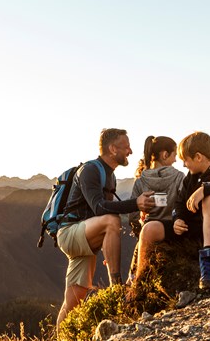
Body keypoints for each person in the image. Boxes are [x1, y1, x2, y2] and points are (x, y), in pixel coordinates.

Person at [55, 128, 155, 325]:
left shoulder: (110, 175)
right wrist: (136, 203)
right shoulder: (90, 170)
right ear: (112, 148)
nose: (131, 151)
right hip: (69, 233)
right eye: (126, 147)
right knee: (112, 220)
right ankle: (116, 287)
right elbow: (100, 208)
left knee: (73, 301)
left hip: (84, 237)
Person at [134, 131, 210, 292]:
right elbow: (180, 203)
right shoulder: (189, 178)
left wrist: (205, 189)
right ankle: (139, 282)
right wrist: (177, 218)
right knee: (149, 228)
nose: (184, 164)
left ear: (198, 157)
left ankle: (209, 268)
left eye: (186, 159)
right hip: (193, 229)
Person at [129, 135, 184, 233]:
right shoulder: (179, 177)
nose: (175, 160)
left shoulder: (140, 181)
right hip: (173, 233)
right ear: (165, 155)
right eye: (174, 155)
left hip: (148, 233)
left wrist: (140, 233)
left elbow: (133, 217)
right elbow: (184, 205)